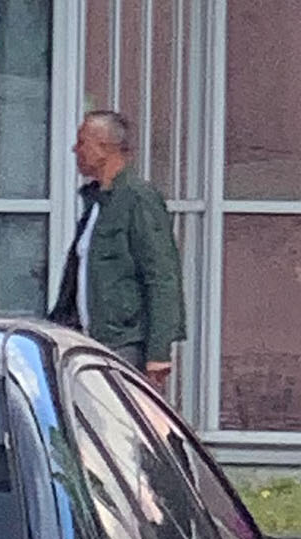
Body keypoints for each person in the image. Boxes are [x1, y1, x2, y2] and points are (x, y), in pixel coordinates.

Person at [51, 110, 185, 386]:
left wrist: (158, 351)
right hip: (88, 340)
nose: (76, 150)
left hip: (124, 343)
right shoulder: (97, 203)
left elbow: (162, 275)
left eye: (82, 142)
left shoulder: (138, 198)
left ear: (104, 147)